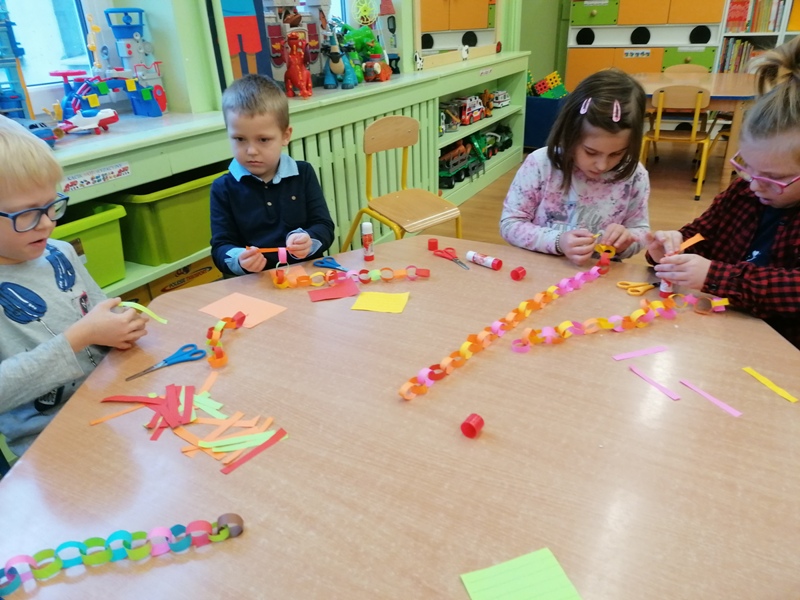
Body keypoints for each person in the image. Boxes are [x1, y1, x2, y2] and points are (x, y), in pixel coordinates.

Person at [0, 118, 149, 472]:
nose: (47, 222)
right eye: (28, 214)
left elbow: (100, 313)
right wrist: (79, 337)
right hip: (49, 443)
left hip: (115, 403)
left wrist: (122, 326)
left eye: (51, 206)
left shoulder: (60, 252)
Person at [647, 37, 800, 349]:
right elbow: (702, 234)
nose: (754, 184)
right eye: (747, 167)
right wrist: (671, 246)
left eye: (773, 178)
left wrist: (715, 276)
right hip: (719, 332)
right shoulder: (743, 192)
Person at [500, 68, 650, 266]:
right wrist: (558, 241)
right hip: (540, 270)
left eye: (616, 154)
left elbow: (640, 230)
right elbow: (510, 224)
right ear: (569, 134)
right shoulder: (540, 164)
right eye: (590, 152)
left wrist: (626, 242)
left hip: (600, 275)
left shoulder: (635, 176)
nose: (602, 165)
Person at [210, 74, 335, 276]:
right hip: (253, 282)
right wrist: (239, 259)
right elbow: (220, 247)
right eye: (240, 139)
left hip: (304, 276)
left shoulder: (303, 173)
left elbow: (324, 226)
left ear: (285, 136)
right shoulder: (222, 188)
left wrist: (309, 241)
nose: (251, 151)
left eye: (263, 140)